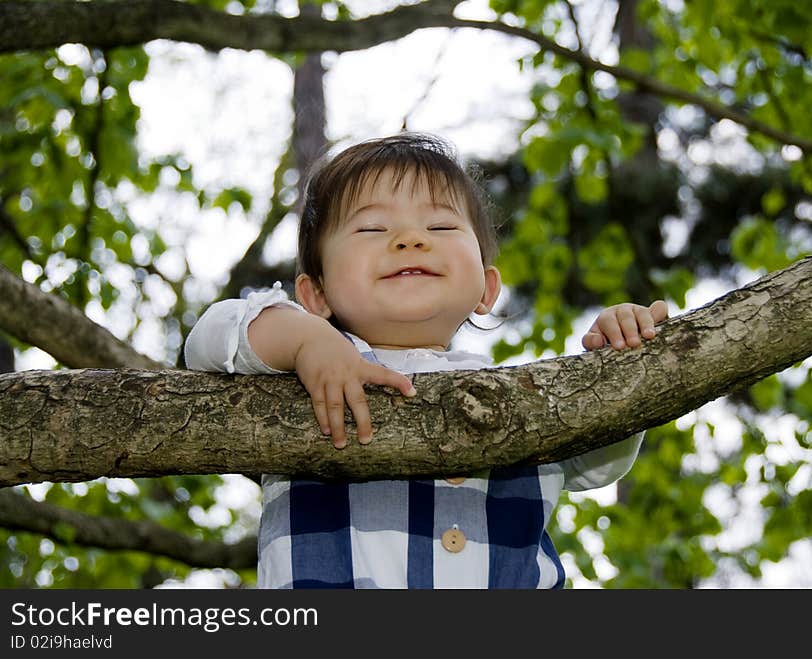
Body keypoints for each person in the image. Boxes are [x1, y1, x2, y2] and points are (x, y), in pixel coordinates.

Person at [184, 132, 668, 588]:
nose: (410, 239)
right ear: (316, 293)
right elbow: (206, 341)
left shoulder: (519, 395)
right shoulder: (309, 369)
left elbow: (598, 464)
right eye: (372, 227)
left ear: (486, 287)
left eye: (440, 225)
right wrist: (304, 340)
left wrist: (619, 360)